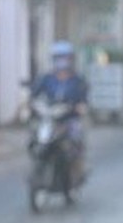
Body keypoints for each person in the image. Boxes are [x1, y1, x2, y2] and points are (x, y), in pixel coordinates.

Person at [31, 40, 88, 185]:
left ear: (70, 59)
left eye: (65, 57)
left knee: (75, 142)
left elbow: (83, 98)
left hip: (69, 119)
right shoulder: (47, 79)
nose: (62, 61)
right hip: (50, 118)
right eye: (58, 57)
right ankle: (40, 167)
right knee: (34, 136)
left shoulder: (77, 80)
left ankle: (77, 172)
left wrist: (80, 106)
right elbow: (35, 94)